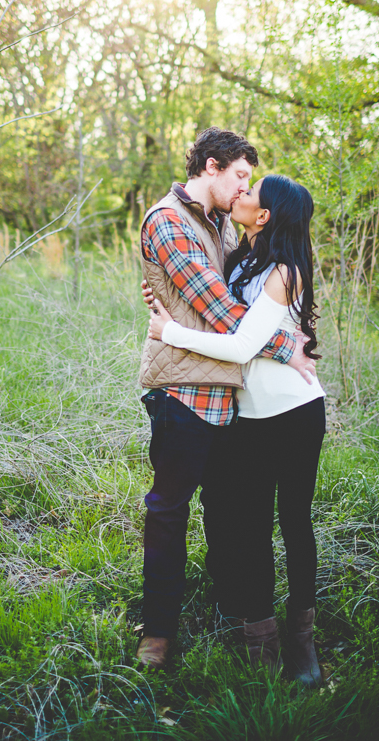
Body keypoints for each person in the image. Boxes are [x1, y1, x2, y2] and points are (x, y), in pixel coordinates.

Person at [135, 128, 315, 672]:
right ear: (211, 167)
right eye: (240, 177)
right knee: (169, 510)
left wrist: (286, 326)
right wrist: (291, 345)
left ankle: (231, 609)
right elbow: (221, 309)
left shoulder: (218, 225)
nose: (243, 191)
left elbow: (259, 289)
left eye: (249, 185)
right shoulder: (169, 221)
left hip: (232, 398)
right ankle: (160, 631)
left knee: (229, 512)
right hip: (184, 390)